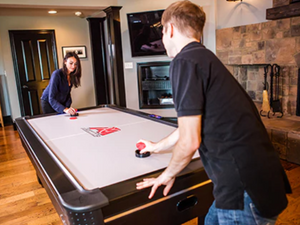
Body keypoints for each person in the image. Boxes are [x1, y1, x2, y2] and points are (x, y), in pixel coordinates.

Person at [136, 1, 292, 224]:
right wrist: (157, 147)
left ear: (169, 29)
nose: (162, 38)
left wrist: (166, 175)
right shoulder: (203, 58)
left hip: (243, 190)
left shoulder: (184, 61)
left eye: (161, 31)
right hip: (253, 183)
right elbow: (190, 125)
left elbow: (190, 140)